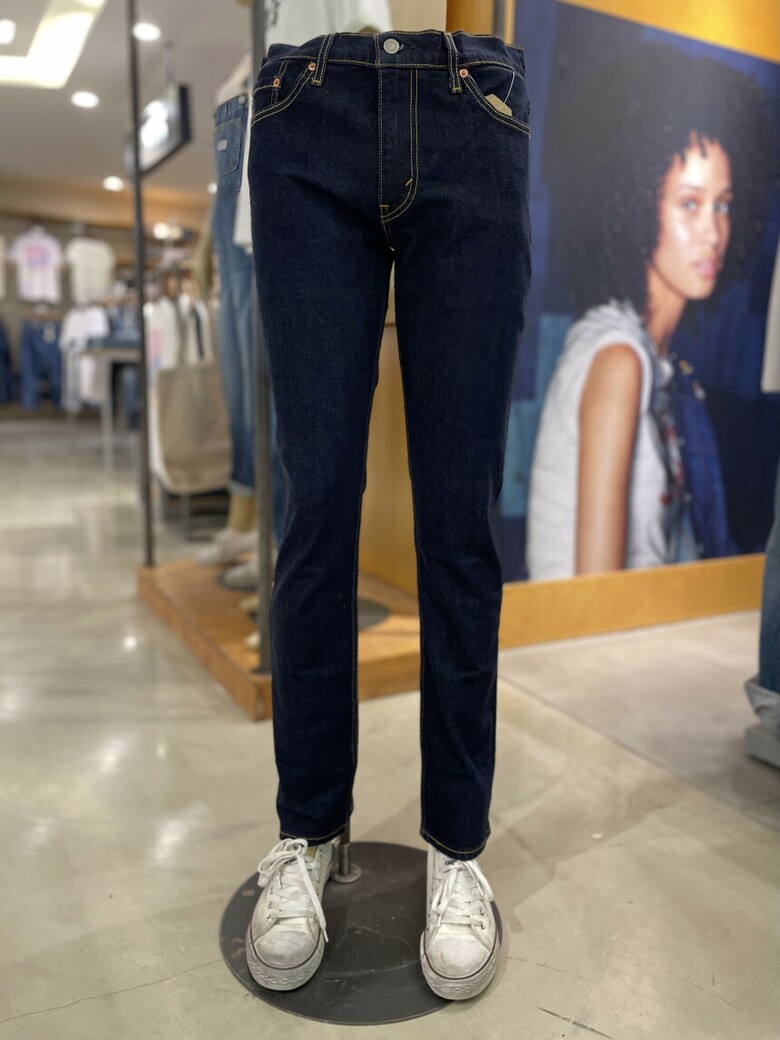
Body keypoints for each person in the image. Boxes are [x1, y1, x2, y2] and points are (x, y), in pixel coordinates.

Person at [243, 28, 531, 1000]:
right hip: (304, 114)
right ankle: (309, 828)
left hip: (473, 111)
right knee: (317, 507)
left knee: (458, 521)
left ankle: (457, 845)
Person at [527, 43, 776, 581]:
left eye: (723, 205)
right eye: (689, 203)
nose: (714, 232)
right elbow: (597, 602)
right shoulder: (619, 360)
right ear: (637, 205)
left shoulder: (659, 362)